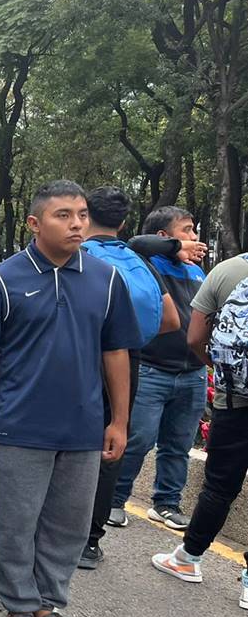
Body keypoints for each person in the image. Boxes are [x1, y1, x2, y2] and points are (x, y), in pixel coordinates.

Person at [0, 180, 139, 617]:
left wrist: (119, 421)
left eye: (81, 214)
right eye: (63, 215)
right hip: (20, 426)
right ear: (35, 223)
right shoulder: (2, 280)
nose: (76, 223)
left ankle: (48, 604)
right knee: (16, 523)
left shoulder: (106, 279)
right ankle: (18, 607)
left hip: (82, 428)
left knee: (69, 525)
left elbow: (116, 353)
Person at [74, 187, 180, 570]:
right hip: (126, 362)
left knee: (57, 440)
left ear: (84, 216)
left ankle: (46, 528)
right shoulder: (138, 261)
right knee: (110, 443)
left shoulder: (75, 256)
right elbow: (170, 320)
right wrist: (126, 339)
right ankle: (89, 541)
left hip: (75, 357)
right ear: (122, 223)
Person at [150, 250, 248, 611]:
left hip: (235, 401)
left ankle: (189, 558)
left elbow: (194, 338)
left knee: (220, 486)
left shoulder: (228, 271)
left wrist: (220, 372)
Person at [107, 206, 207, 531]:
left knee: (178, 445)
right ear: (164, 237)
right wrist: (176, 249)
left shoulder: (196, 272)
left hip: (192, 372)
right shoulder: (146, 264)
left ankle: (166, 503)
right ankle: (114, 499)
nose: (194, 238)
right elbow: (137, 241)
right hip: (153, 369)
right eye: (187, 230)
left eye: (194, 231)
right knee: (138, 438)